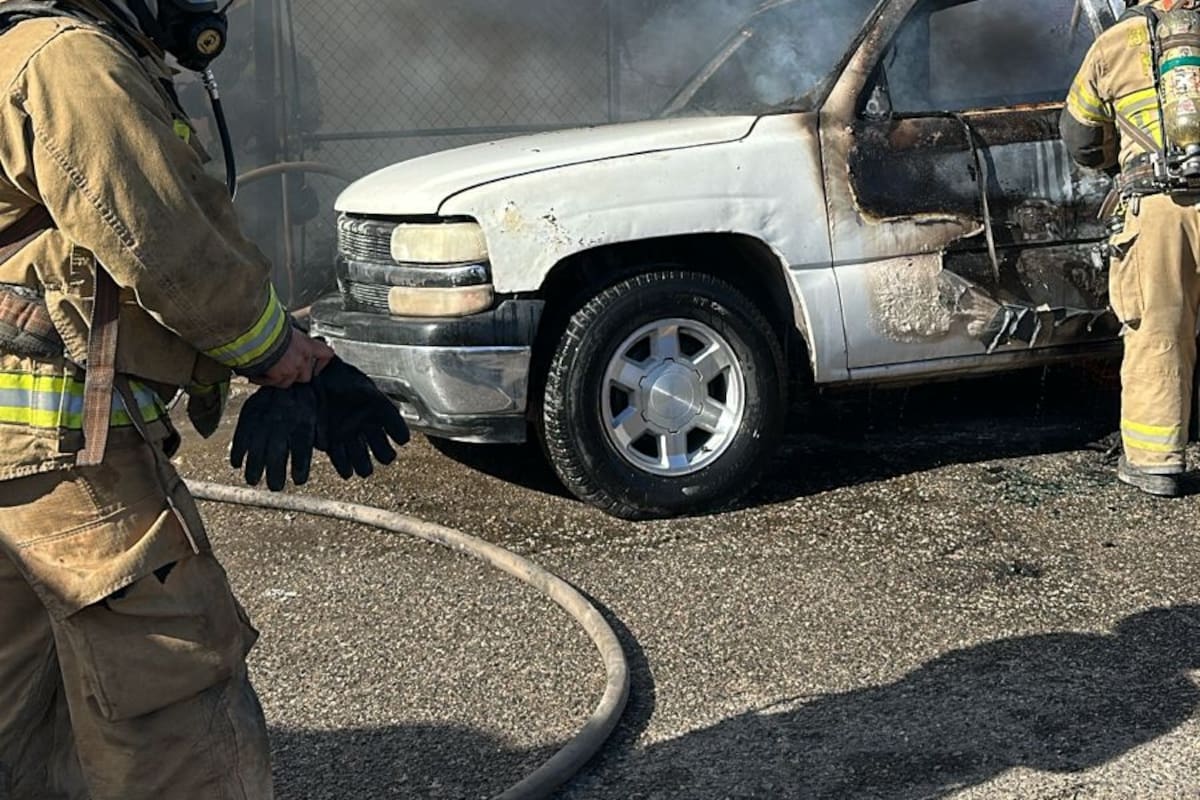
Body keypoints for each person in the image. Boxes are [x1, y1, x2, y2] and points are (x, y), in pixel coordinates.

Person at [0, 0, 339, 796]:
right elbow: (161, 240)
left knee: (28, 701)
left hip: (20, 471)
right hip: (70, 456)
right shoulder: (66, 59)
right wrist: (279, 353)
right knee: (174, 703)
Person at [1062, 0, 1200, 497]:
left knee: (1158, 332)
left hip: (1159, 207)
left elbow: (1078, 137)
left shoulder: (1113, 45)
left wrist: (1120, 157)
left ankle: (1155, 463)